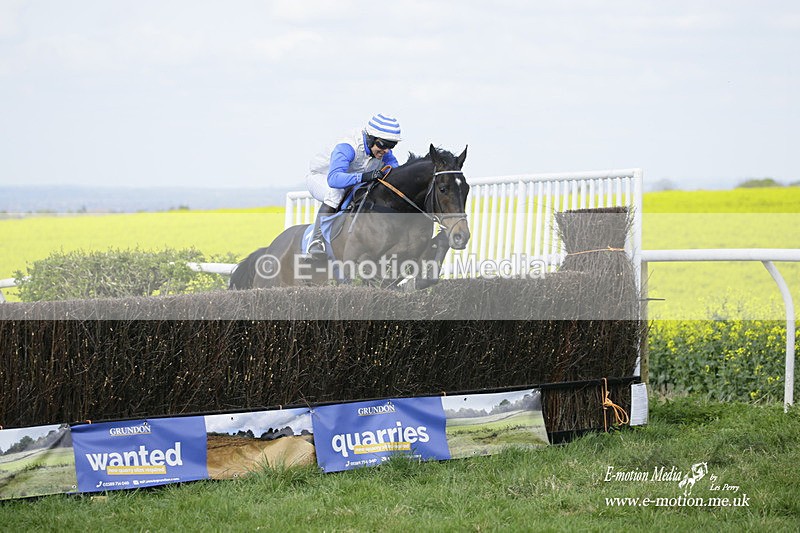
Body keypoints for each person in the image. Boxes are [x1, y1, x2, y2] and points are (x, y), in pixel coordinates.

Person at [304, 113, 403, 259]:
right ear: (370, 138)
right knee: (335, 193)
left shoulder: (383, 151)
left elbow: (396, 172)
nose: (386, 150)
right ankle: (316, 241)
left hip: (349, 180)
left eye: (391, 145)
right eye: (383, 145)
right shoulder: (348, 146)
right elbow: (334, 179)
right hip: (322, 177)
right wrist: (365, 176)